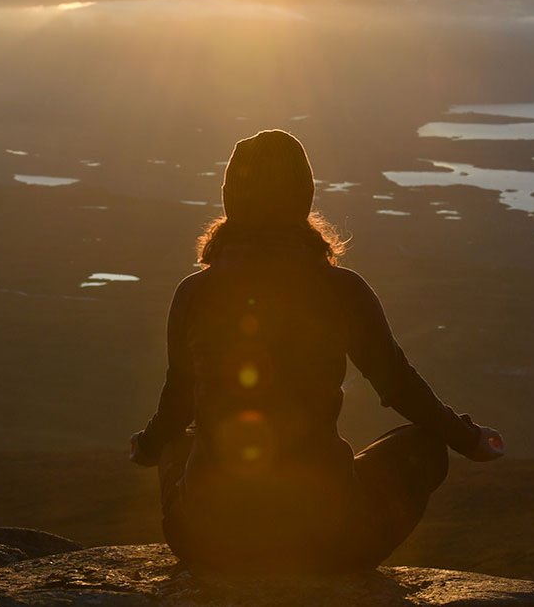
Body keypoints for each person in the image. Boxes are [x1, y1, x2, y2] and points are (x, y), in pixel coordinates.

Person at [129, 129, 503, 572]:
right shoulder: (342, 290)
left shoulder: (194, 293)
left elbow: (177, 404)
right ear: (304, 197)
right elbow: (400, 386)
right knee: (425, 447)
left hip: (205, 543)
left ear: (230, 197)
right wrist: (467, 438)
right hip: (326, 541)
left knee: (179, 440)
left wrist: (147, 447)